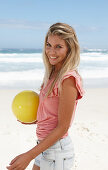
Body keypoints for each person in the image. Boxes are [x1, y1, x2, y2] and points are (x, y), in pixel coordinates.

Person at [6, 22, 84, 170]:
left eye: (58, 46)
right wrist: (39, 120)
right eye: (48, 45)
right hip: (44, 146)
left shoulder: (68, 80)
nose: (51, 51)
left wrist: (28, 155)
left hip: (57, 151)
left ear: (69, 49)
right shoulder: (52, 74)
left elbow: (63, 127)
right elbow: (54, 113)